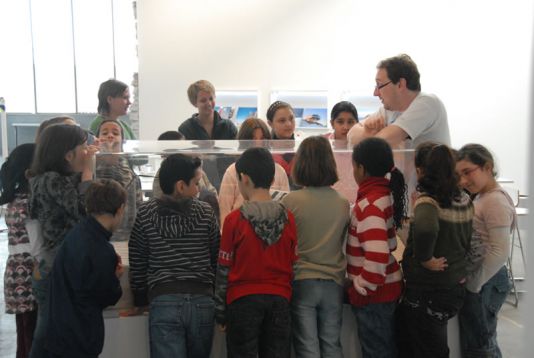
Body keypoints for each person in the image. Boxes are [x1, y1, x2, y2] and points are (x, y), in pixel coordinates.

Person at [129, 154, 220, 358]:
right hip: (202, 301)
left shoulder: (146, 213)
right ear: (181, 186)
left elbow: (138, 260)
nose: (199, 188)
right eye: (196, 183)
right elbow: (216, 258)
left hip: (164, 301)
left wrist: (140, 297)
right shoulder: (206, 213)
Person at [214, 147, 298, 357]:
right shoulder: (288, 218)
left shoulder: (234, 220)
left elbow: (224, 269)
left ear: (243, 178)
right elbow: (293, 265)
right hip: (279, 300)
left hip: (242, 302)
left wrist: (221, 313)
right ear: (272, 179)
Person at [398, 142, 473, 358]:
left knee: (427, 347)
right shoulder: (464, 199)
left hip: (428, 289)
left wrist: (424, 258)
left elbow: (425, 228)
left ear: (420, 171)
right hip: (454, 283)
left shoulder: (428, 202)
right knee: (433, 343)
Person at [28, 124, 97, 358]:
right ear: (68, 155)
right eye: (83, 147)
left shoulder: (52, 178)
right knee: (47, 331)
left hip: (57, 264)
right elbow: (83, 209)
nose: (87, 152)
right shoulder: (50, 180)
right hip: (55, 267)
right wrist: (88, 174)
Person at [281, 136, 350, 358]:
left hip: (302, 280)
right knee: (331, 344)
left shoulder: (290, 201)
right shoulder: (342, 202)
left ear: (300, 164)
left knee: (306, 347)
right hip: (333, 281)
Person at [46, 179, 125, 358]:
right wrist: (116, 278)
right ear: (120, 209)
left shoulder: (77, 234)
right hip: (80, 337)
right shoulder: (101, 249)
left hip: (60, 330)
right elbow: (106, 296)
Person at [347, 137, 406, 357]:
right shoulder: (384, 195)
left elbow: (378, 254)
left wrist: (361, 286)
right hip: (385, 288)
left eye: (353, 167)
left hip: (375, 294)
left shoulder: (369, 205)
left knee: (377, 351)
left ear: (361, 168)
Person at [456, 144, 514, 358]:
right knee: (479, 341)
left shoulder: (495, 201)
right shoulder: (481, 197)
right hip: (481, 280)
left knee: (481, 345)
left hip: (486, 280)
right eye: (459, 175)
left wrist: (474, 284)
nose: (463, 181)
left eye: (467, 172)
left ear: (487, 167)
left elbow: (499, 251)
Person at [347, 54, 450, 149]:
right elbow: (351, 135)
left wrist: (370, 136)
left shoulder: (427, 103)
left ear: (400, 84)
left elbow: (382, 143)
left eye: (379, 85)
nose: (375, 93)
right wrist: (368, 133)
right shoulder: (388, 110)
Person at [0, 143, 37, 358]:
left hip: (17, 273)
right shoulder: (30, 202)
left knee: (24, 333)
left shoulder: (16, 200)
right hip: (30, 273)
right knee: (32, 336)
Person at [218, 117, 290, 226]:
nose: (257, 144)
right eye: (252, 139)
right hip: (239, 231)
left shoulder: (279, 171)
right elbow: (224, 214)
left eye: (262, 139)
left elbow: (285, 209)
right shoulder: (232, 171)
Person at [95, 119, 143, 240]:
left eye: (115, 133)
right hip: (98, 234)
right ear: (97, 140)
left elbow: (139, 206)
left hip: (126, 235)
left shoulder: (131, 173)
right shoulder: (92, 169)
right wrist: (104, 155)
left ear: (122, 140)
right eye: (104, 133)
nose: (110, 136)